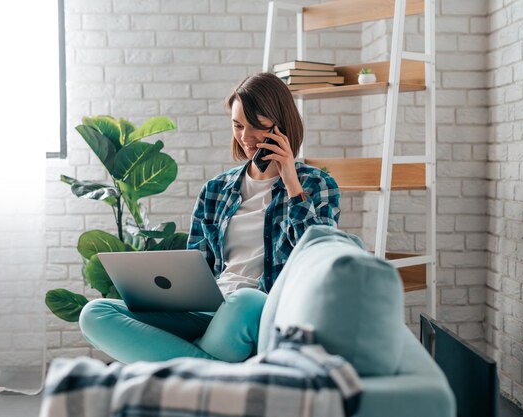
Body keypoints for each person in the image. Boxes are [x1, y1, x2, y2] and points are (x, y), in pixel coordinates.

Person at [79, 73, 341, 364]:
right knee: (94, 313)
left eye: (257, 126)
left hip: (258, 310)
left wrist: (292, 183)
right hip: (209, 310)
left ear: (282, 124)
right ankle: (214, 367)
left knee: (245, 300)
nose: (245, 137)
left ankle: (188, 365)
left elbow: (319, 253)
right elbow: (197, 267)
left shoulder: (317, 185)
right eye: (238, 125)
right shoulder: (217, 189)